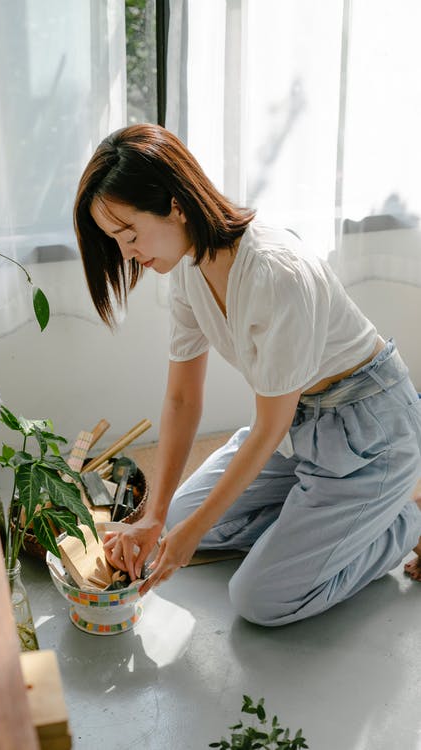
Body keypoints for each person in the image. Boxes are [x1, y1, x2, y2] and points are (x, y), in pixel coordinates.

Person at [73, 123, 421, 626]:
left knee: (259, 599)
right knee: (169, 525)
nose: (127, 253)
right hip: (299, 434)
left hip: (370, 438)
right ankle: (320, 523)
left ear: (174, 203)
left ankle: (406, 513)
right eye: (115, 240)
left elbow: (268, 427)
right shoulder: (186, 269)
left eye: (128, 234)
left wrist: (190, 536)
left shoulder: (276, 275)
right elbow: (181, 401)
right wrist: (153, 517)